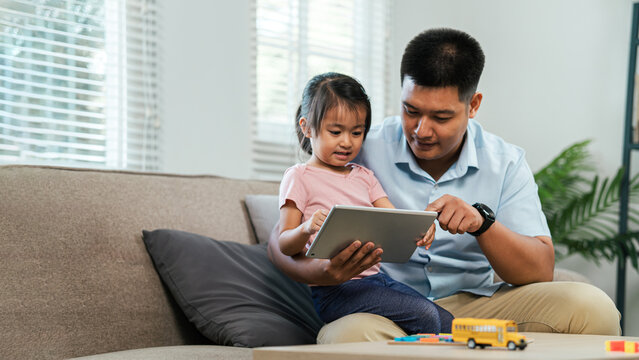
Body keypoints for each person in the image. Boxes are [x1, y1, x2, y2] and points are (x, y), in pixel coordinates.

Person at [268, 28, 621, 342]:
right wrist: (323, 273)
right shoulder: (358, 145)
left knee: (592, 307)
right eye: (411, 110)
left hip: (478, 305)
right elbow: (279, 243)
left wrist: (482, 224)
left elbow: (540, 270)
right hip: (383, 307)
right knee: (350, 335)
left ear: (473, 106)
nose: (422, 130)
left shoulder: (506, 161)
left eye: (441, 117)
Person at [278, 71, 454, 335]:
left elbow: (395, 219)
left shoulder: (364, 176)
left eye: (357, 132)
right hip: (334, 290)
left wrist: (422, 226)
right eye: (335, 131)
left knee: (448, 321)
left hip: (377, 280)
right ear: (307, 128)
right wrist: (305, 229)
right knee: (425, 315)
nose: (347, 142)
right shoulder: (299, 177)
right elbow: (284, 244)